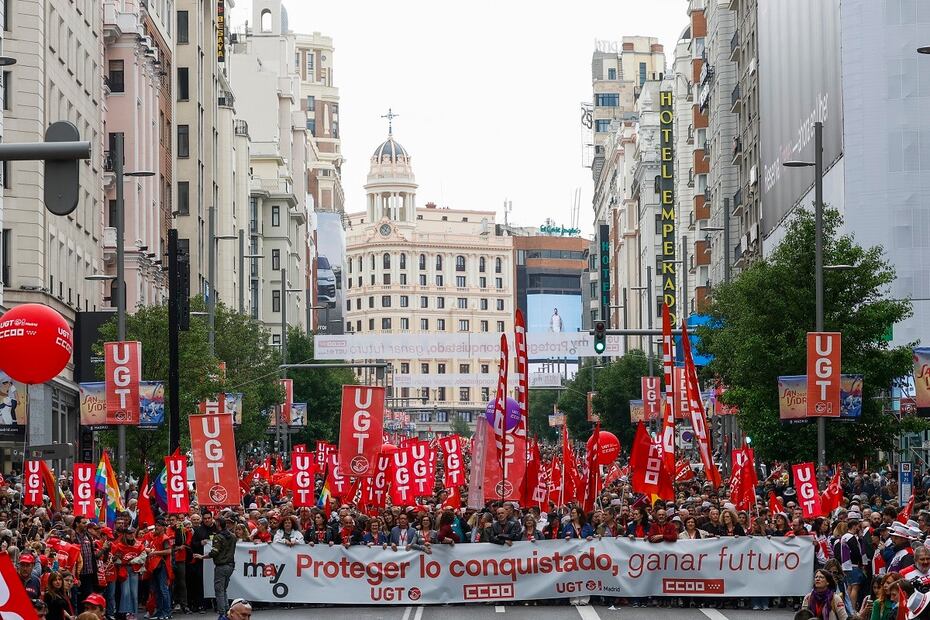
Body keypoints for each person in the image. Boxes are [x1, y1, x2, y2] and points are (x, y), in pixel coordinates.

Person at [195, 516, 236, 618]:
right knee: (224, 589)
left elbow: (214, 552)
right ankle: (227, 610)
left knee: (219, 591)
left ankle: (222, 613)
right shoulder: (233, 536)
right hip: (230, 565)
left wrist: (202, 556)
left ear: (218, 525)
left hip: (221, 566)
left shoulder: (218, 537)